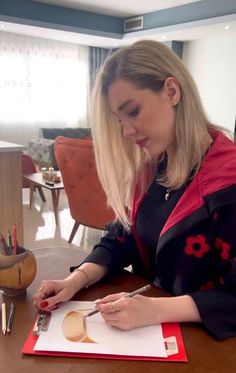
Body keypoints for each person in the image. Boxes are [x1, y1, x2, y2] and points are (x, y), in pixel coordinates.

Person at [33, 40, 236, 340]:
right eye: (120, 121)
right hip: (146, 340)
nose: (127, 132)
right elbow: (119, 239)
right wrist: (76, 280)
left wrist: (156, 310)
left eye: (133, 111)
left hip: (206, 353)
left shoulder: (227, 184)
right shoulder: (152, 168)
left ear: (171, 91)